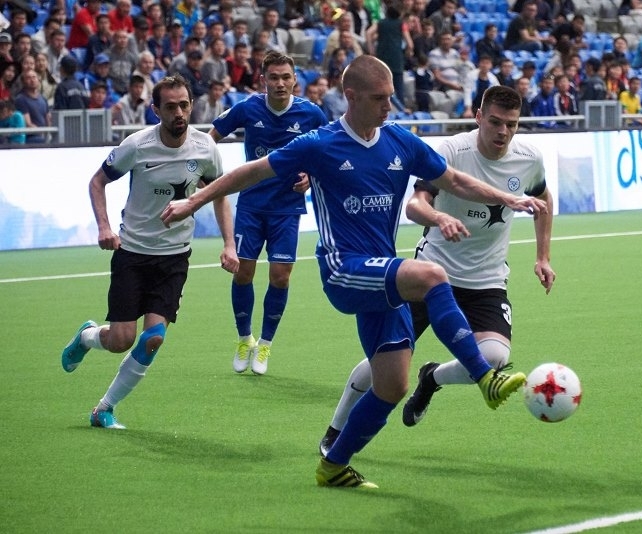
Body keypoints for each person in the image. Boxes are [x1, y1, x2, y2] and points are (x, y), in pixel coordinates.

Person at [161, 55, 544, 488]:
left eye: (391, 97)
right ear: (352, 97)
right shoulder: (320, 144)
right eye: (379, 98)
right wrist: (193, 201)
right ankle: (485, 377)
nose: (388, 106)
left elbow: (453, 181)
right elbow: (251, 172)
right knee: (433, 275)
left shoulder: (400, 140)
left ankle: (333, 465)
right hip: (343, 268)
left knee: (393, 385)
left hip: (381, 275)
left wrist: (507, 199)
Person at [317, 83, 554, 455]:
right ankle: (335, 429)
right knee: (384, 361)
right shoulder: (452, 151)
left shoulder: (529, 158)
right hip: (429, 276)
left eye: (511, 124)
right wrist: (439, 217)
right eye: (495, 122)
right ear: (478, 117)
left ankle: (432, 378)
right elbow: (415, 205)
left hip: (487, 280)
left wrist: (542, 257)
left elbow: (543, 199)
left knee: (494, 358)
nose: (503, 132)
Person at [60, 74, 238, 430]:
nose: (179, 113)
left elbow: (218, 193)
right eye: (170, 107)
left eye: (184, 105)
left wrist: (229, 244)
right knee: (120, 340)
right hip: (133, 253)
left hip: (175, 258)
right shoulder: (137, 146)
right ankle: (87, 336)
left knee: (153, 338)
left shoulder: (205, 148)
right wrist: (104, 227)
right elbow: (97, 181)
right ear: (156, 110)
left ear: (192, 105)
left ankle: (104, 409)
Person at [208, 51, 328, 375]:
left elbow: (329, 151)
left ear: (295, 80)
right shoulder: (248, 108)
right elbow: (210, 138)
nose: (280, 83)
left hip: (287, 208)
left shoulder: (311, 113)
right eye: (273, 77)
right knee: (243, 273)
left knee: (280, 276)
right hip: (251, 204)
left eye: (286, 77)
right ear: (263, 80)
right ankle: (244, 339)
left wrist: (311, 176)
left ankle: (265, 344)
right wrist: (207, 169)